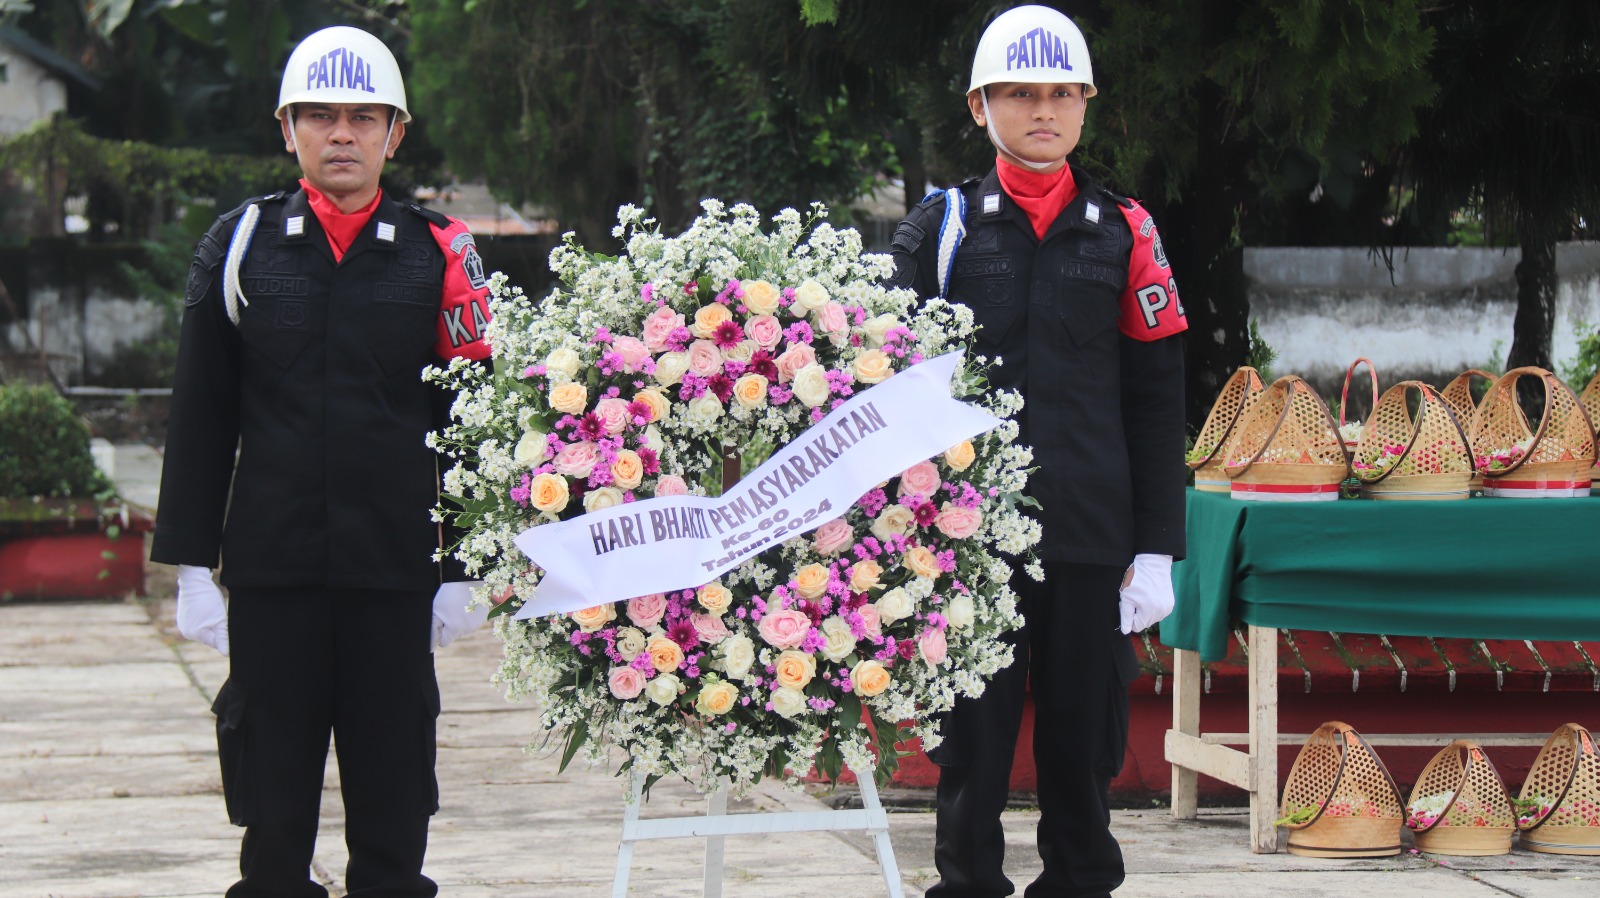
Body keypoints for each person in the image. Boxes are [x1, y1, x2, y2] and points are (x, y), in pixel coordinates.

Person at [152, 25, 492, 898]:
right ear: (287, 128)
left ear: (396, 134)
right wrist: (190, 567)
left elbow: (470, 423)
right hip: (274, 573)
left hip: (395, 574)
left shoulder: (441, 252)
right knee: (272, 808)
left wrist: (466, 567)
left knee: (395, 802)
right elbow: (201, 415)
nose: (341, 134)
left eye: (363, 117)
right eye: (319, 116)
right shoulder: (239, 244)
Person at [888, 6, 1187, 897]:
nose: (1043, 110)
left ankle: (1081, 882)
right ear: (980, 106)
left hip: (1092, 530)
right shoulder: (941, 229)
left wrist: (1157, 547)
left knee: (1083, 737)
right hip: (968, 537)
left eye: (1062, 93)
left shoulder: (1126, 231)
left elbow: (1157, 396)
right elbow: (877, 378)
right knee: (971, 741)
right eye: (1020, 93)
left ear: (1087, 104)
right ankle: (967, 884)